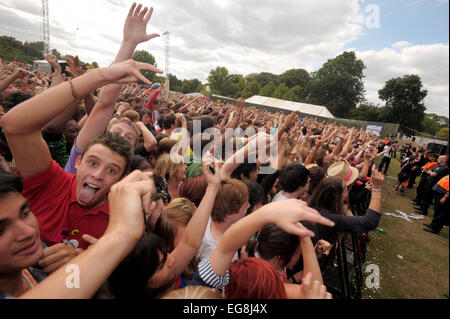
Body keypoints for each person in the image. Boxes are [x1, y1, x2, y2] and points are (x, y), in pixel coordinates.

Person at [1, 59, 160, 255]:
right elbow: (14, 126)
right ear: (77, 161)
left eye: (112, 170)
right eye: (93, 163)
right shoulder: (51, 183)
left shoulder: (122, 219)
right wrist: (97, 76)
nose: (98, 175)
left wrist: (83, 261)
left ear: (121, 178)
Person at [195, 199, 335, 298]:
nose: (301, 255)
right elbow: (314, 291)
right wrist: (305, 239)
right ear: (279, 258)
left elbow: (226, 245)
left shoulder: (247, 267)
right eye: (300, 252)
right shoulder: (261, 282)